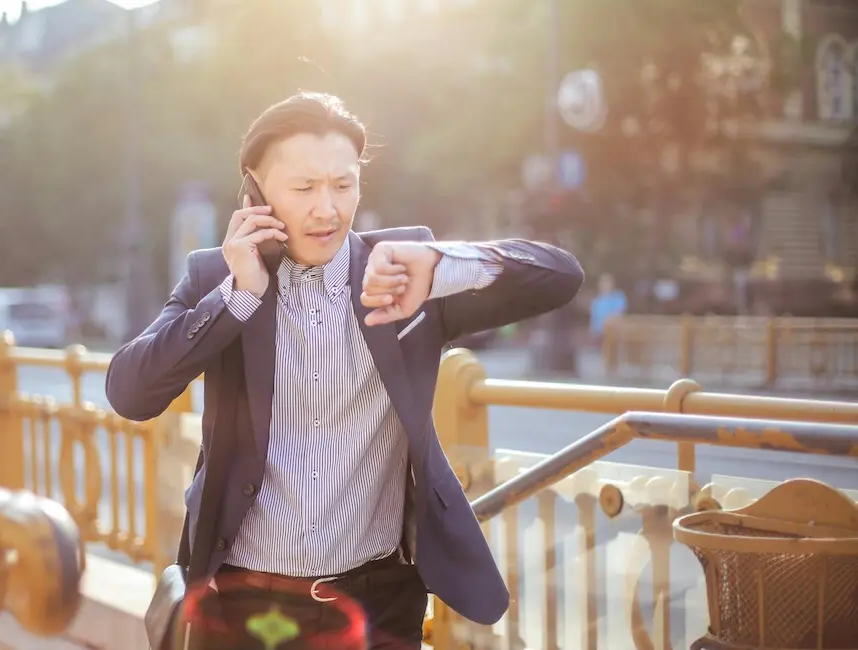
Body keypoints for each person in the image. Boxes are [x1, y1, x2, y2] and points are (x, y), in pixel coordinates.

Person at [106, 92, 584, 649]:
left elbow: (561, 276)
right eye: (304, 188)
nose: (327, 210)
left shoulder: (403, 272)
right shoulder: (217, 275)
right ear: (255, 193)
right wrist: (236, 299)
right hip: (243, 609)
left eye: (343, 184)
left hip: (376, 606)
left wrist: (441, 264)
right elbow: (129, 392)